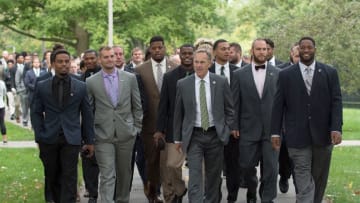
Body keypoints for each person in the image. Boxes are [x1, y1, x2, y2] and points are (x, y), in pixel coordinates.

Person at [271, 36, 342, 203]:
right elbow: (278, 105)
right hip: (297, 136)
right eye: (302, 48)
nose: (306, 50)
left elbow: (336, 102)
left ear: (315, 49)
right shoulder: (286, 75)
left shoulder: (329, 73)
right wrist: (275, 132)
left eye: (309, 47)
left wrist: (336, 128)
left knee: (319, 178)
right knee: (302, 175)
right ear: (298, 50)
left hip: (323, 135)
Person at [31, 49, 95, 203]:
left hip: (71, 139)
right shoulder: (42, 86)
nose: (64, 64)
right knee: (51, 176)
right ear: (52, 64)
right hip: (49, 138)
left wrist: (89, 141)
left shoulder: (80, 87)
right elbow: (35, 112)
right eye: (60, 61)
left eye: (67, 61)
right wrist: (40, 136)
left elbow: (87, 115)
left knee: (69, 177)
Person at [173, 49, 237, 203]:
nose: (199, 65)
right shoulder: (183, 84)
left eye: (202, 62)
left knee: (213, 177)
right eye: (196, 62)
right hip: (194, 135)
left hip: (215, 135)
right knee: (194, 175)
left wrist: (226, 129)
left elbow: (230, 109)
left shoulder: (220, 82)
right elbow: (178, 112)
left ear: (210, 63)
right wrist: (177, 139)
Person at [86, 46, 143, 203]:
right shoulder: (91, 82)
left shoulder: (129, 78)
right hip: (103, 135)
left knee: (124, 175)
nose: (110, 59)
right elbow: (88, 110)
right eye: (106, 57)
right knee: (107, 174)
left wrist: (136, 129)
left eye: (112, 56)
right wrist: (90, 134)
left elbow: (137, 105)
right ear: (100, 60)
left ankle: (122, 200)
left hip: (126, 134)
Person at [232, 38, 280, 203]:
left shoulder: (278, 73)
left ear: (268, 51)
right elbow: (235, 102)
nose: (262, 52)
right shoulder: (239, 74)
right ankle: (252, 189)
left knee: (271, 169)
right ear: (252, 51)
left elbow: (282, 104)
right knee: (246, 166)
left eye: (265, 49)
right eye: (258, 49)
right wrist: (234, 125)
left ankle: (267, 198)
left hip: (272, 130)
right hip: (247, 128)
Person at [135, 35, 177, 202]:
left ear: (164, 48)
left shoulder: (175, 68)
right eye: (154, 48)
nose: (158, 50)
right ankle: (153, 192)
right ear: (150, 49)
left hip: (171, 124)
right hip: (149, 123)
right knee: (151, 161)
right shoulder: (140, 70)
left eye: (160, 47)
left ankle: (171, 193)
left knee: (170, 162)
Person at [154, 44, 194, 203]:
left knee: (197, 168)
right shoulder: (170, 77)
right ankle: (180, 189)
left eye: (190, 53)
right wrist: (159, 129)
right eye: (184, 53)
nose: (187, 56)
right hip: (173, 129)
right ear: (180, 54)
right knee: (172, 165)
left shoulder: (203, 74)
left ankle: (194, 193)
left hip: (198, 129)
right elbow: (163, 105)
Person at [209, 39, 245, 203]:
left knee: (233, 166)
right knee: (214, 166)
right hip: (211, 126)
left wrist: (235, 124)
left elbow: (240, 101)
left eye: (228, 49)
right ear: (214, 52)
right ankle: (215, 196)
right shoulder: (206, 71)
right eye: (223, 49)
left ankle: (232, 196)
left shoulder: (237, 72)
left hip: (233, 128)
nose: (227, 52)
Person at [276, 43, 300, 194]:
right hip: (285, 120)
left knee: (300, 157)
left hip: (303, 121)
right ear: (291, 54)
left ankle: (301, 190)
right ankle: (284, 175)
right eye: (297, 55)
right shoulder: (282, 71)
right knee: (284, 152)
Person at [80, 49, 101, 202]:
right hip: (87, 127)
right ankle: (92, 193)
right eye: (86, 59)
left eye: (92, 58)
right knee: (88, 161)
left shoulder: (105, 76)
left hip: (105, 124)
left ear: (97, 59)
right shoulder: (80, 79)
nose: (89, 61)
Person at [0, 79, 7, 144]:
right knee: (2, 122)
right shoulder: (2, 83)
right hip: (1, 105)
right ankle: (4, 138)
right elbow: (5, 93)